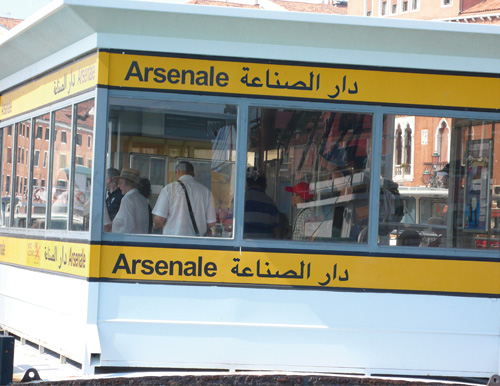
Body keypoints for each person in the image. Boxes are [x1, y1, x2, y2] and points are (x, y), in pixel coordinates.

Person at [152, 161, 216, 236]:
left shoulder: (168, 189)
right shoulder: (207, 192)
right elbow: (211, 223)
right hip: (196, 242)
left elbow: (159, 220)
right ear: (193, 174)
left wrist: (154, 226)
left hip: (172, 242)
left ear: (177, 172)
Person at [244, 167, 279, 239]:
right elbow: (276, 231)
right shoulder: (271, 203)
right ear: (264, 184)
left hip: (244, 246)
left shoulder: (240, 200)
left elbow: (230, 225)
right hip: (266, 246)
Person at [111, 168, 150, 234]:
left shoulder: (127, 199)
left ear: (128, 183)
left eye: (120, 183)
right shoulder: (142, 198)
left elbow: (127, 227)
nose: (118, 186)